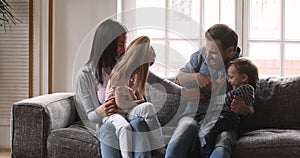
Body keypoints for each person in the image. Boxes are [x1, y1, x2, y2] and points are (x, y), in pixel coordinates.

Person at [76, 19, 196, 158]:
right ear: (107, 45)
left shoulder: (126, 64)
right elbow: (91, 116)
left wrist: (183, 91)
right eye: (120, 44)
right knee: (110, 133)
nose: (124, 49)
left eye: (125, 44)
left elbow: (159, 81)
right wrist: (101, 111)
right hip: (110, 122)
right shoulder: (85, 75)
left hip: (133, 117)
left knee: (139, 124)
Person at [165, 24, 254, 158]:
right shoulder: (202, 55)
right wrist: (196, 77)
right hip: (194, 115)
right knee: (182, 134)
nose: (207, 56)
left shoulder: (243, 69)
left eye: (213, 52)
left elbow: (251, 107)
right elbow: (179, 79)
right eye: (207, 50)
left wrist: (245, 109)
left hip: (224, 121)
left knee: (223, 141)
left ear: (230, 50)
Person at [101, 36, 164, 158]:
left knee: (145, 112)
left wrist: (138, 101)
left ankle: (159, 147)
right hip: (116, 113)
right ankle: (159, 147)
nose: (146, 70)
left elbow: (136, 100)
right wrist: (139, 102)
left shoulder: (134, 75)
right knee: (147, 108)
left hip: (127, 112)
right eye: (147, 65)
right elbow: (121, 104)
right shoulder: (120, 73)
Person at [199, 57, 259, 158]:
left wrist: (219, 96)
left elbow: (229, 99)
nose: (229, 81)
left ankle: (206, 145)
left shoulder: (246, 89)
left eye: (231, 77)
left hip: (229, 119)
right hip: (226, 118)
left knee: (210, 131)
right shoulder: (240, 88)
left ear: (244, 77)